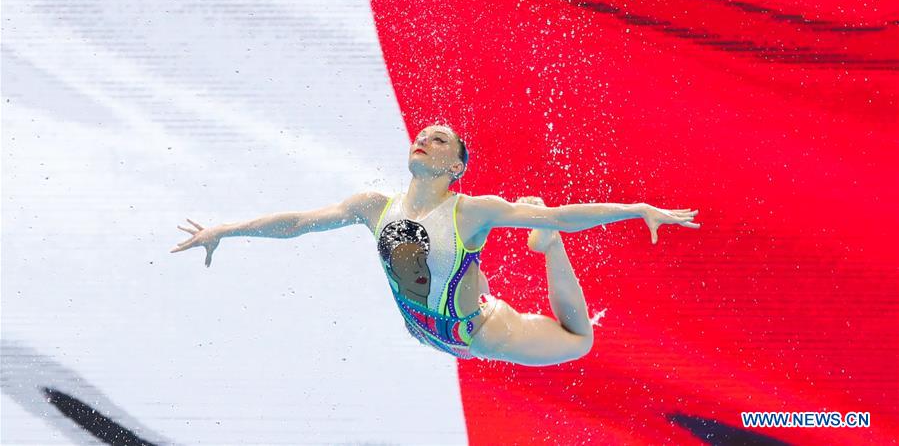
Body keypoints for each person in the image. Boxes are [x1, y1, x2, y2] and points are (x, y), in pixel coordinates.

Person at [171, 125, 699, 366]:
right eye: (421, 135)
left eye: (440, 139)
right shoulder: (373, 206)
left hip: (478, 333)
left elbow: (564, 213)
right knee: (448, 266)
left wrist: (638, 208)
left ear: (457, 168)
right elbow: (300, 223)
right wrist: (225, 230)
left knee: (579, 340)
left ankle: (549, 248)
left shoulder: (472, 210)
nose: (425, 138)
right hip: (423, 329)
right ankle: (490, 273)